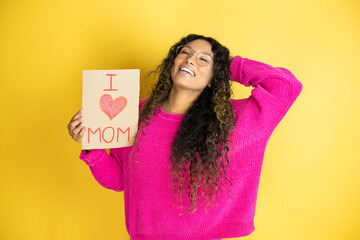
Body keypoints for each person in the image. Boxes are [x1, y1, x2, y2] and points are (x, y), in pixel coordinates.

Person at [67, 34, 303, 240]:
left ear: (215, 76)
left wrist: (225, 64)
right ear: (173, 62)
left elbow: (286, 86)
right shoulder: (132, 113)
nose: (191, 59)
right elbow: (119, 180)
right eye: (185, 53)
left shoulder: (232, 120)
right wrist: (92, 145)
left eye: (203, 59)